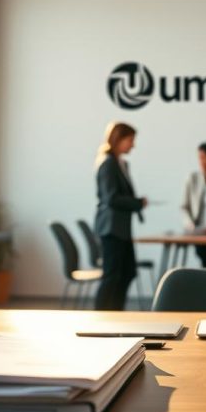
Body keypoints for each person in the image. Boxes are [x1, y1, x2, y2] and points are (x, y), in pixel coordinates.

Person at [94, 122, 147, 310]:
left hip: (121, 229)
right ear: (119, 139)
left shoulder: (121, 163)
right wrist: (137, 203)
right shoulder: (108, 164)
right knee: (112, 276)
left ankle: (116, 313)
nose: (133, 145)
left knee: (127, 272)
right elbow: (112, 198)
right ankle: (101, 316)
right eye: (130, 140)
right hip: (111, 229)